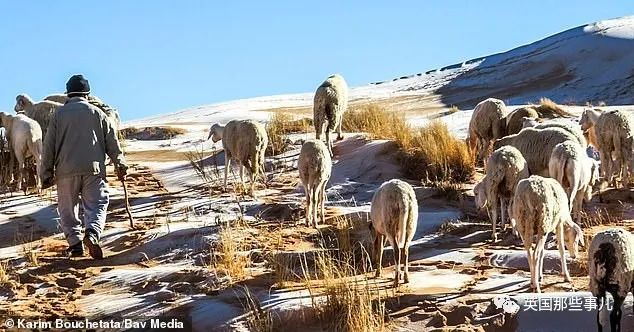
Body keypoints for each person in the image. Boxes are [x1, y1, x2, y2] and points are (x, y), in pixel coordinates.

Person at [41, 74, 127, 259]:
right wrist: (120, 163)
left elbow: (48, 146)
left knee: (67, 209)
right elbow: (112, 142)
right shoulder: (98, 114)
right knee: (97, 204)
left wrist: (45, 173)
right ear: (87, 94)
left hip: (65, 171)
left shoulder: (58, 116)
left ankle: (75, 244)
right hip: (93, 168)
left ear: (68, 94)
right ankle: (92, 233)